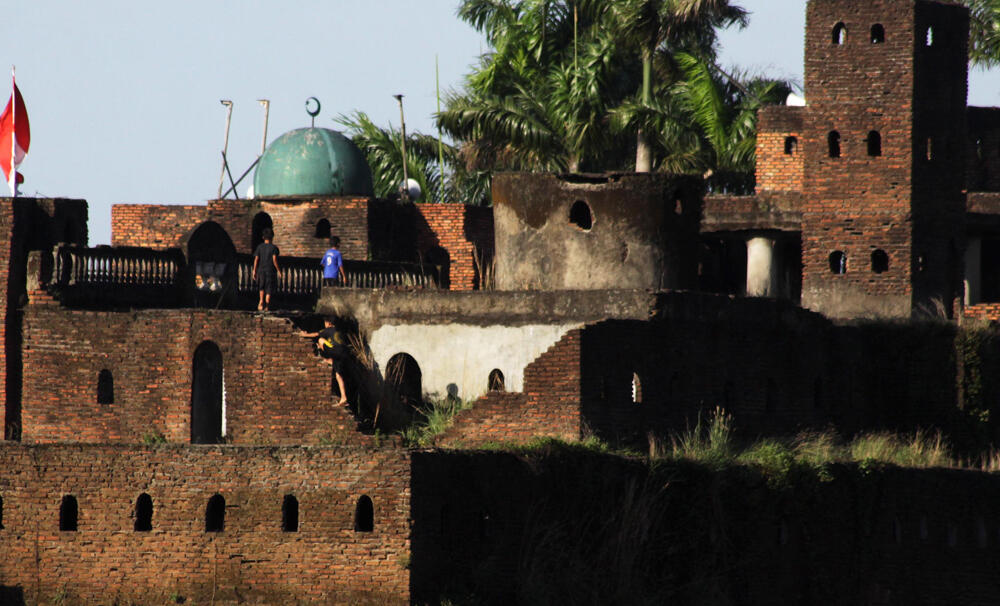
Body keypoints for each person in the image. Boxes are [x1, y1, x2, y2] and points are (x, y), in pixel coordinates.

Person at [299, 317, 349, 406]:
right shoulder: (340, 331)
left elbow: (316, 334)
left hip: (336, 351)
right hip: (344, 353)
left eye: (325, 323)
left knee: (320, 340)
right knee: (338, 375)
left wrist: (304, 335)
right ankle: (343, 397)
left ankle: (328, 359)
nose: (325, 324)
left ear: (328, 323)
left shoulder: (328, 329)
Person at [252, 227, 281, 311]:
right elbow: (274, 260)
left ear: (263, 237)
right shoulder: (274, 248)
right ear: (272, 237)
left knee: (261, 287)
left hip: (261, 270)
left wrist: (254, 270)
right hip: (270, 271)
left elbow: (256, 259)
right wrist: (279, 270)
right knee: (269, 289)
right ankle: (267, 305)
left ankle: (261, 301)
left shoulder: (259, 247)